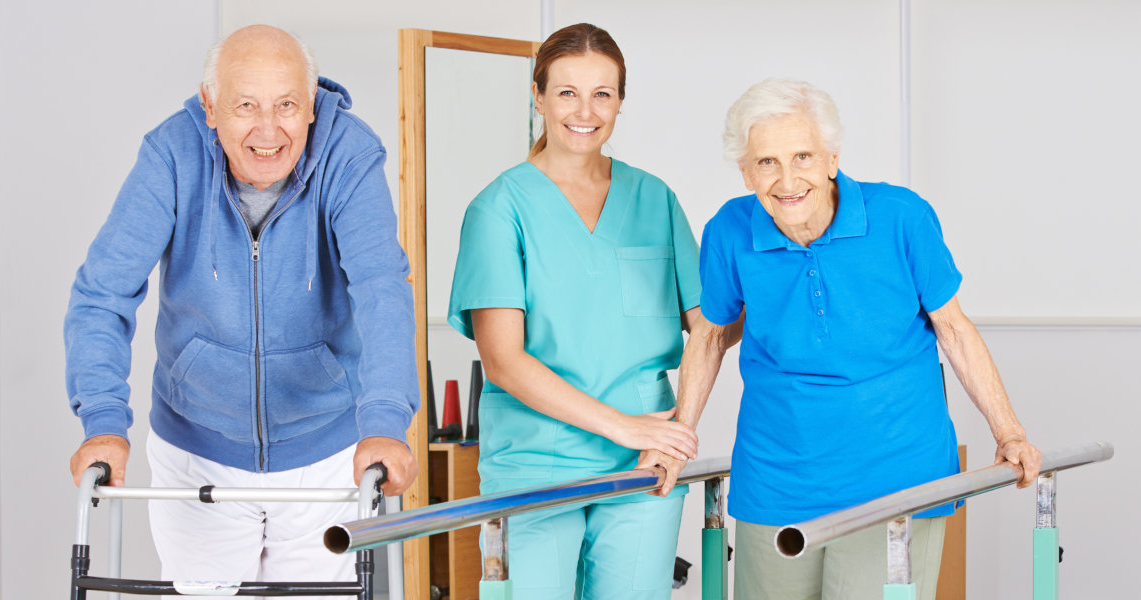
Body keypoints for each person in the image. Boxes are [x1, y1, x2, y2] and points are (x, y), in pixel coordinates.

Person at [62, 25, 418, 588]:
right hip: (197, 445)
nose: (268, 129)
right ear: (210, 106)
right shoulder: (171, 155)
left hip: (325, 448)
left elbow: (381, 288)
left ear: (310, 108)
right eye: (245, 106)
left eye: (286, 105)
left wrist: (385, 423)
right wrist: (103, 423)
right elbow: (103, 292)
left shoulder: (348, 153)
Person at [691, 78, 1044, 600]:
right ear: (746, 172)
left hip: (895, 476)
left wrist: (1009, 431)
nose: (787, 180)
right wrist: (677, 435)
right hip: (776, 478)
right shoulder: (729, 230)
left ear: (832, 159)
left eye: (803, 156)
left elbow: (955, 329)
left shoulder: (900, 217)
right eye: (766, 162)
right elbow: (709, 336)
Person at [446, 23, 733, 600]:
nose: (585, 110)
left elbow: (710, 324)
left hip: (643, 467)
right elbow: (503, 361)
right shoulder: (499, 209)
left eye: (602, 93)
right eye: (567, 92)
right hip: (535, 462)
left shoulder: (654, 198)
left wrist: (677, 427)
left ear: (621, 102)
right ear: (538, 96)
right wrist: (623, 426)